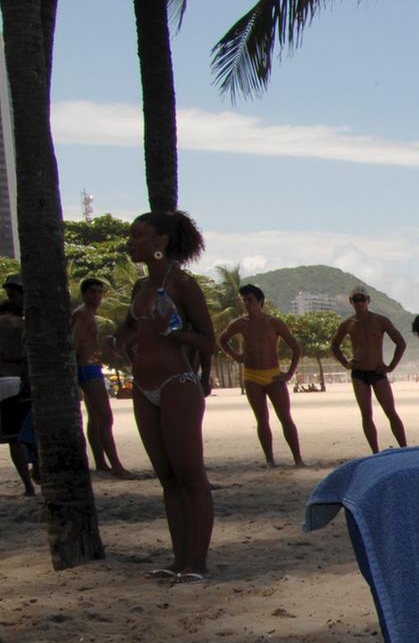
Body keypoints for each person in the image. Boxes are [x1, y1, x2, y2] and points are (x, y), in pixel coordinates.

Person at [115, 211, 216, 583]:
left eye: (137, 235)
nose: (130, 242)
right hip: (143, 387)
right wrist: (117, 342)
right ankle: (178, 561)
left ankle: (198, 563)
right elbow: (128, 328)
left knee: (191, 476)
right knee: (168, 479)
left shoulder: (184, 285)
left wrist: (173, 333)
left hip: (177, 384)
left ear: (159, 242)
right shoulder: (140, 288)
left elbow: (210, 341)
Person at [218, 284, 304, 467]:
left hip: (273, 374)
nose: (247, 304)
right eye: (245, 301)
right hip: (251, 376)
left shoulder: (274, 323)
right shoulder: (240, 324)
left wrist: (289, 374)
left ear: (260, 302)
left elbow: (296, 348)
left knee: (285, 417)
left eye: (250, 300)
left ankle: (298, 458)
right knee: (261, 419)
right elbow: (222, 340)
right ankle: (270, 460)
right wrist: (235, 356)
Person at [71, 278, 136, 478]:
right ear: (84, 294)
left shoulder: (88, 314)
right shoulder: (82, 314)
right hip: (86, 368)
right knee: (105, 416)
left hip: (90, 367)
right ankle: (116, 465)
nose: (97, 296)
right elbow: (74, 342)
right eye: (93, 292)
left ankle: (101, 462)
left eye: (100, 292)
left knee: (95, 418)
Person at [330, 289, 409, 453]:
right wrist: (346, 363)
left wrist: (391, 366)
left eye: (362, 299)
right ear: (351, 301)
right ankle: (375, 451)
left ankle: (404, 448)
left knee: (390, 411)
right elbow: (334, 346)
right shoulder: (348, 324)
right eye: (356, 300)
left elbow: (400, 343)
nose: (360, 303)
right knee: (366, 413)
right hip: (359, 374)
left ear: (368, 300)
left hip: (378, 372)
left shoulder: (380, 321)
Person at [0, 279, 36, 495]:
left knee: (14, 438)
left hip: (5, 382)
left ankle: (29, 485)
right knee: (25, 435)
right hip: (17, 381)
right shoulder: (21, 324)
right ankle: (32, 480)